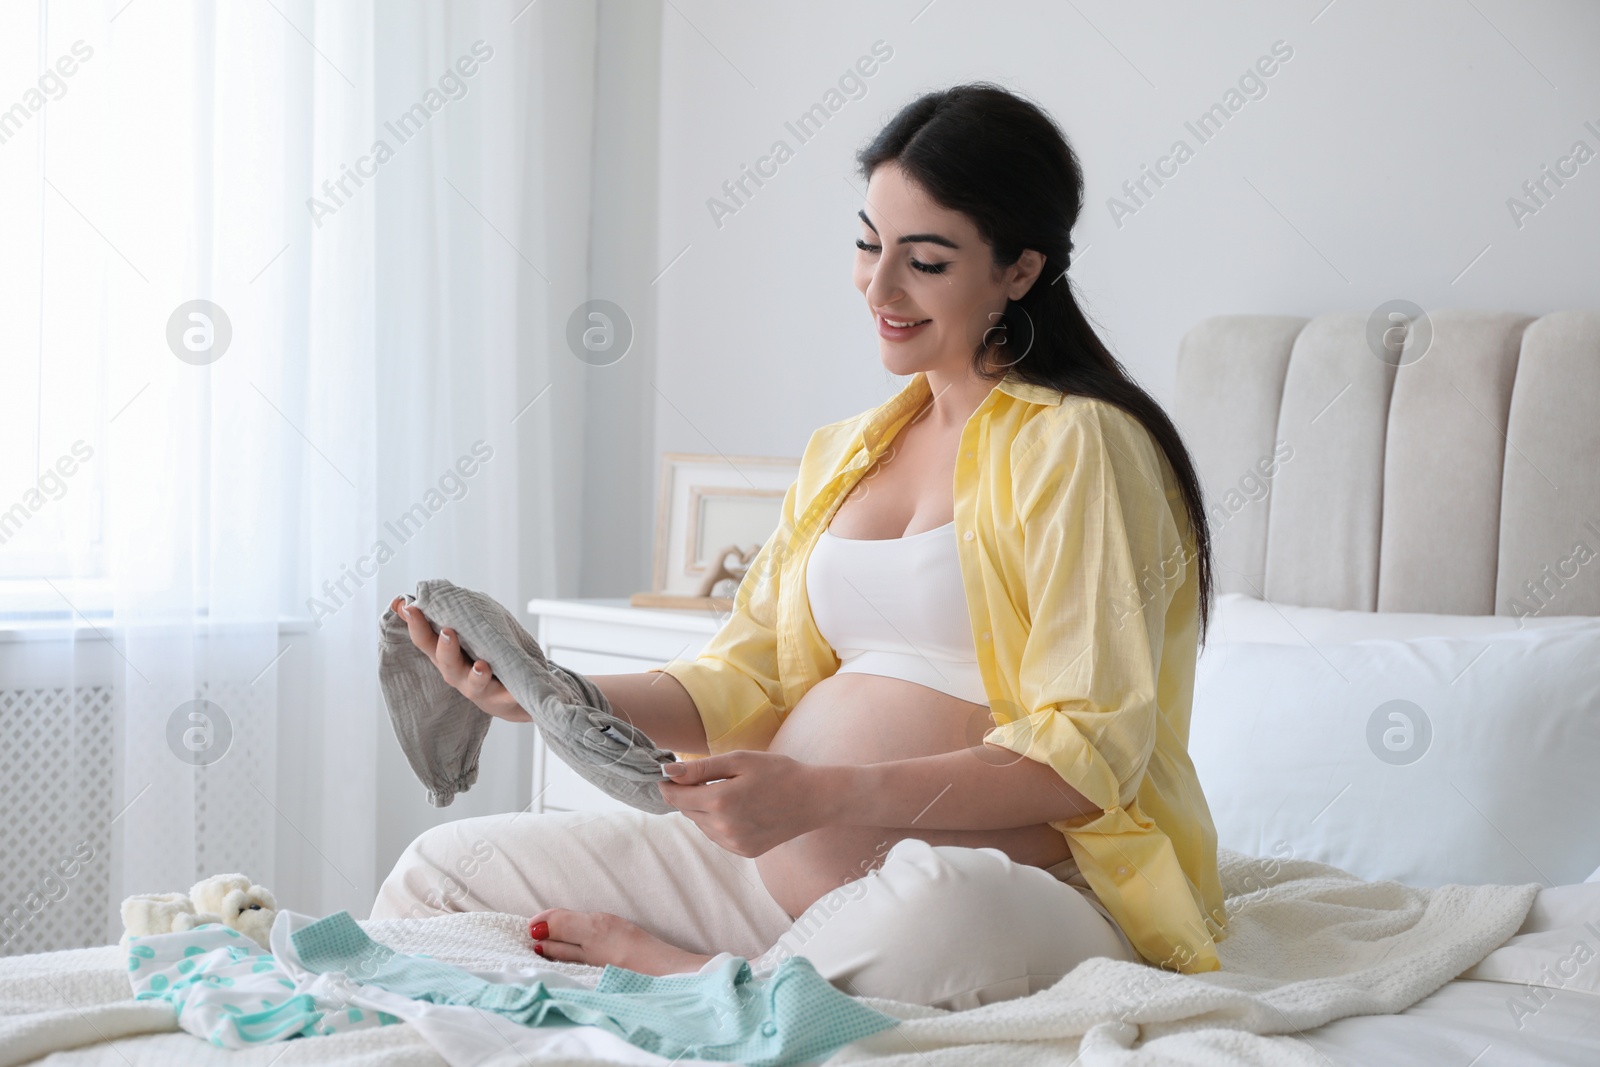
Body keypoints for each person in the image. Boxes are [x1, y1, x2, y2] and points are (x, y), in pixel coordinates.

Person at [372, 82, 1229, 1010]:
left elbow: (1085, 756)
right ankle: (764, 984)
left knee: (944, 908)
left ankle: (705, 983)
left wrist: (824, 797)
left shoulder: (1083, 445)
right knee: (447, 871)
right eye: (868, 244)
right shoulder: (844, 452)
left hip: (1033, 892)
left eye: (927, 261)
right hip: (776, 878)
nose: (880, 287)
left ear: (1019, 271)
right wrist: (548, 693)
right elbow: (741, 682)